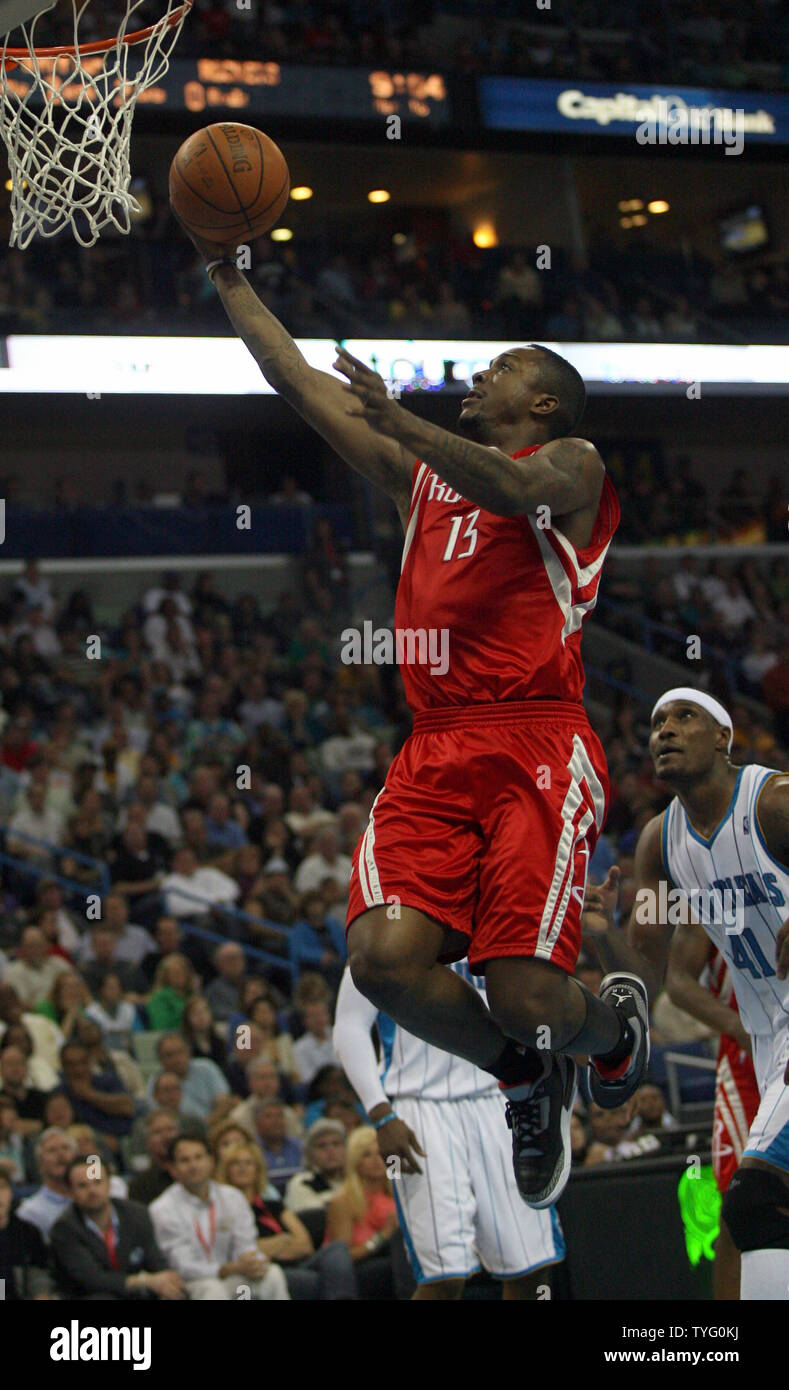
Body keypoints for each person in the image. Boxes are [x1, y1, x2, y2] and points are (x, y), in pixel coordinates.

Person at [176, 216, 638, 1208]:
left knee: (525, 992)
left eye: (504, 365)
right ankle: (524, 1078)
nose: (484, 373)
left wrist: (399, 419)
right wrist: (228, 273)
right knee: (382, 962)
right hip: (435, 750)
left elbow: (514, 486)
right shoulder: (421, 481)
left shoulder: (574, 465)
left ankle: (610, 1031)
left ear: (543, 400)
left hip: (537, 743)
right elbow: (296, 382)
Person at [581, 687, 789, 1300]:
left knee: (757, 1197)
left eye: (684, 716)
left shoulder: (773, 802)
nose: (664, 729)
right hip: (769, 1036)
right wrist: (604, 940)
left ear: (724, 738)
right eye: (656, 722)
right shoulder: (658, 846)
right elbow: (645, 974)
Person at [334, 963, 565, 1299]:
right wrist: (380, 1112)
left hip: (501, 1098)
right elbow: (349, 1026)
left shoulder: (495, 921)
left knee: (533, 1266)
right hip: (420, 1105)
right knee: (443, 1276)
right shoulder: (384, 933)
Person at [666, 929, 761, 1300]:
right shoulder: (710, 880)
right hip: (749, 1058)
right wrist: (738, 1027)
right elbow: (677, 981)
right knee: (741, 1201)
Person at [150, 1134, 290, 1300]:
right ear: (173, 1169)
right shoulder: (162, 1208)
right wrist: (225, 1269)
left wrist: (252, 1261)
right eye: (185, 1160)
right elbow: (182, 1265)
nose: (194, 1165)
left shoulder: (232, 1197)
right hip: (192, 1284)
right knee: (212, 1289)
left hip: (235, 1278)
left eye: (199, 1157)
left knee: (272, 1274)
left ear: (211, 1162)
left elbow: (246, 1245)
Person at [216, 1140, 357, 1300]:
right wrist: (283, 1239)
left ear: (257, 1170)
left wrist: (269, 1248)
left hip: (299, 1263)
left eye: (249, 1163)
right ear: (226, 1170)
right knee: (311, 1281)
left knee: (337, 1249)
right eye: (236, 1163)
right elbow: (243, 1253)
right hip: (267, 1271)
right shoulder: (224, 1211)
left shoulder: (273, 1205)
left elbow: (305, 1245)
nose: (243, 1168)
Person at [50, 1157, 186, 1300]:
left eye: (97, 1182)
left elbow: (155, 1259)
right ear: (70, 1192)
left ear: (109, 1184)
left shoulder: (136, 1213)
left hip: (137, 1294)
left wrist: (167, 1283)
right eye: (82, 1186)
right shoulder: (65, 1228)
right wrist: (145, 1281)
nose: (92, 1190)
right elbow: (93, 1279)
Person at [324, 1125, 398, 1299]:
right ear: (355, 1160)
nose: (376, 1160)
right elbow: (341, 1258)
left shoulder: (397, 1197)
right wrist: (382, 1236)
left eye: (381, 1153)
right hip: (359, 1270)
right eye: (366, 1155)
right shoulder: (342, 1201)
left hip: (393, 1259)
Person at [0, 1170, 54, 1300]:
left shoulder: (27, 1231)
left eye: (2, 1187)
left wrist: (41, 1294)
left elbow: (40, 1272)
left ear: (10, 1193)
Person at [16, 1126, 77, 1239]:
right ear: (40, 1164)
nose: (60, 1154)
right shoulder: (30, 1212)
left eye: (65, 1148)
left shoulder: (91, 1198)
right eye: (52, 1150)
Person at [127, 1109, 180, 1205]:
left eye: (170, 1129)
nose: (166, 1136)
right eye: (157, 1132)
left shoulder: (194, 1172)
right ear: (146, 1142)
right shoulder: (140, 1186)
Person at [252, 1098, 303, 1194]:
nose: (276, 1121)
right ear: (257, 1123)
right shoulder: (251, 1150)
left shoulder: (299, 1147)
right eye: (269, 1116)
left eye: (280, 1116)